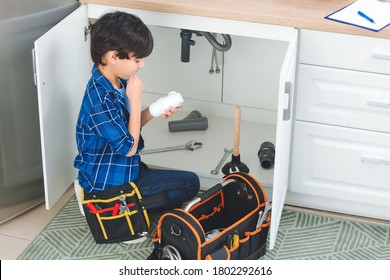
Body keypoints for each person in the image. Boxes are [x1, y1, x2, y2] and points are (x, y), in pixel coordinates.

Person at [74, 11, 200, 210]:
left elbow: (127, 126)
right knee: (191, 184)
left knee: (179, 183)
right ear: (114, 56)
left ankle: (121, 205)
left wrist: (154, 110)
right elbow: (128, 148)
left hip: (122, 170)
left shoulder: (113, 82)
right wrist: (135, 100)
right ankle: (110, 207)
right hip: (110, 183)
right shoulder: (100, 100)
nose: (142, 65)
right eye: (137, 59)